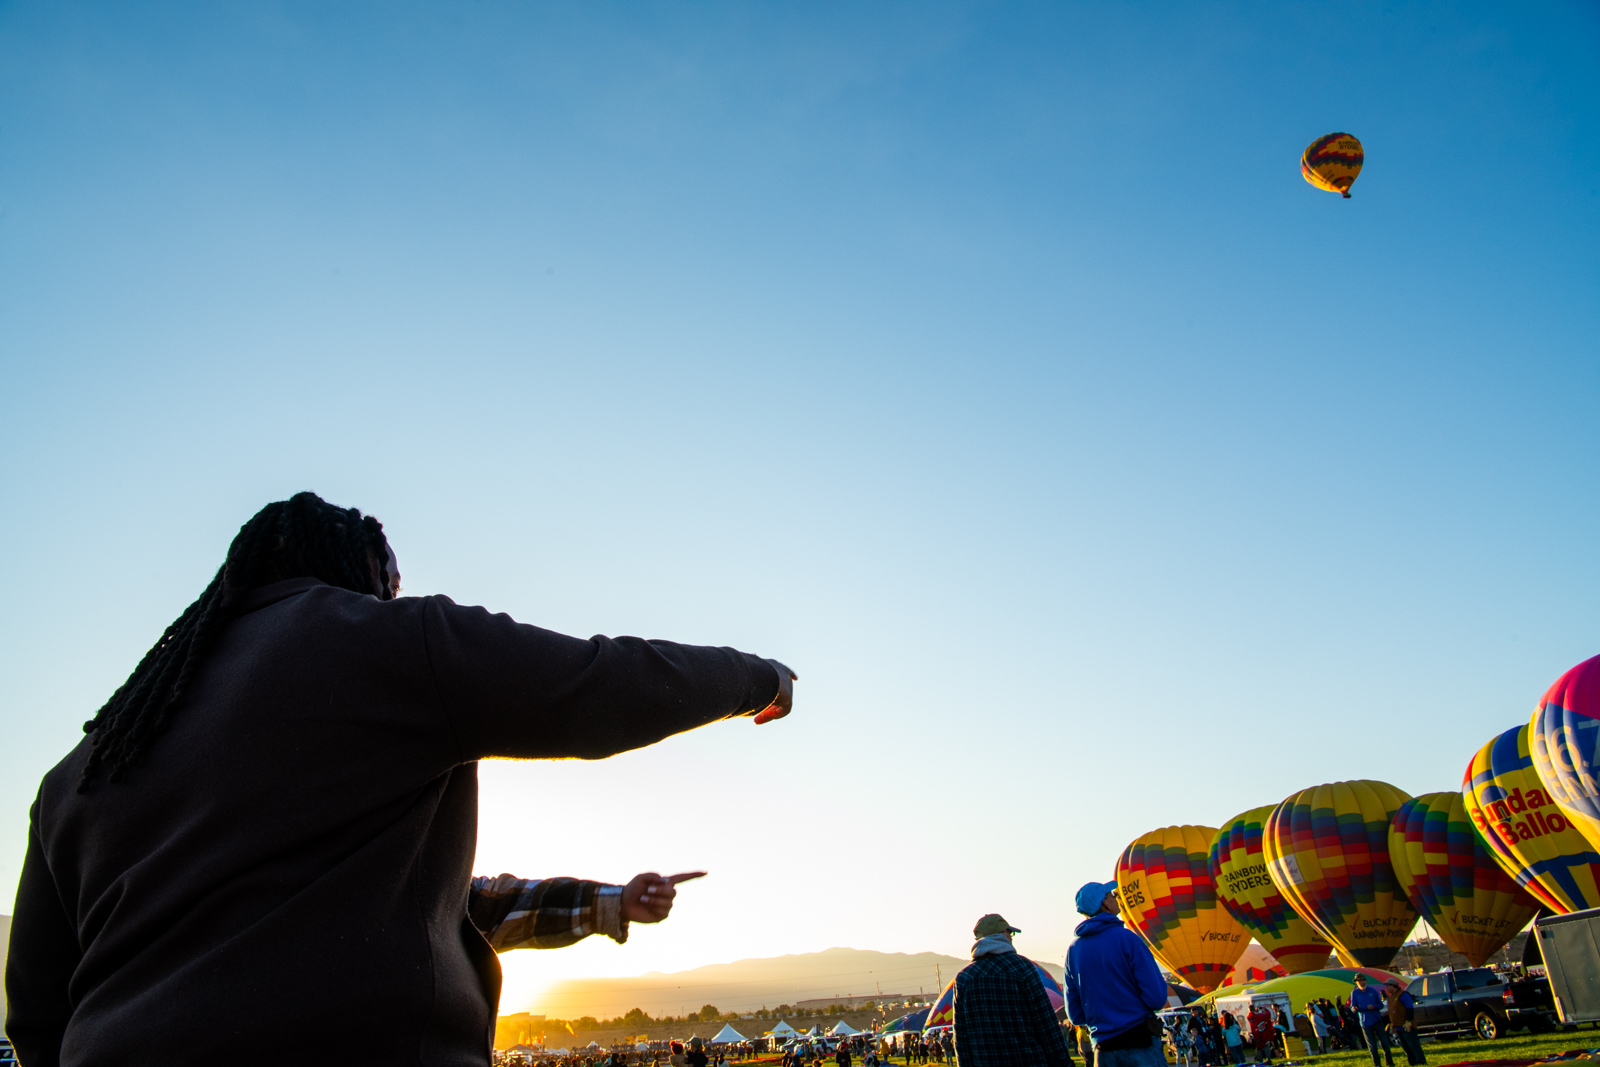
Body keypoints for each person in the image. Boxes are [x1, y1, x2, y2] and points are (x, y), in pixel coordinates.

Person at [3, 492, 798, 1065]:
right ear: (366, 577)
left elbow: (36, 1016)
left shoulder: (85, 766)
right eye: (390, 582)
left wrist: (611, 902)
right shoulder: (384, 644)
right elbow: (601, 683)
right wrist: (756, 679)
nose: (395, 596)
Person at [1065, 882, 1169, 1067]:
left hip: (1103, 1048)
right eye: (1112, 895)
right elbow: (1156, 997)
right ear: (1105, 904)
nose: (1116, 897)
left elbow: (1074, 1014)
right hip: (1139, 1041)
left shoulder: (1073, 950)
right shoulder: (1128, 939)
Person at [952, 912, 1073, 1067]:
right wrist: (1063, 1062)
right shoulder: (1022, 967)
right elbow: (1046, 1023)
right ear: (1003, 934)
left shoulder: (964, 977)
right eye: (1011, 933)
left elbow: (961, 1037)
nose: (1011, 938)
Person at [1350, 975, 1395, 1067]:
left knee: (1384, 1043)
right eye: (1359, 981)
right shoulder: (1355, 993)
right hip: (1365, 1022)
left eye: (1363, 981)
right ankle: (1377, 1064)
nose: (1362, 983)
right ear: (1356, 983)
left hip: (1376, 1019)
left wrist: (1374, 1006)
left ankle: (1389, 1062)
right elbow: (1352, 1006)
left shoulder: (1373, 991)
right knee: (1372, 1045)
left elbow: (1380, 1005)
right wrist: (1354, 1008)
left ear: (1365, 981)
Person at [1384, 979, 1426, 1066]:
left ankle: (1420, 1061)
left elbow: (1409, 1008)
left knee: (1413, 1045)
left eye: (1387, 986)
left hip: (1406, 1025)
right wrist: (1392, 1025)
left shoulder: (1403, 995)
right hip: (1397, 1026)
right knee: (1406, 1047)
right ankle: (1412, 1062)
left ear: (1392, 986)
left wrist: (1408, 1021)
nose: (1386, 988)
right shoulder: (1390, 997)